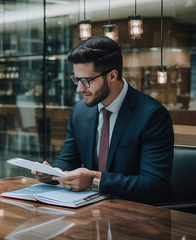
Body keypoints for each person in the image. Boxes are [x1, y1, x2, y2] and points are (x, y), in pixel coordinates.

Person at [32, 36, 174, 204]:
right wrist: (53, 172)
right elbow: (68, 160)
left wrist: (95, 179)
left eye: (86, 81)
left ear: (112, 76)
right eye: (76, 79)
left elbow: (155, 185)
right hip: (90, 212)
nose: (79, 88)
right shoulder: (80, 112)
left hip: (136, 215)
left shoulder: (152, 115)